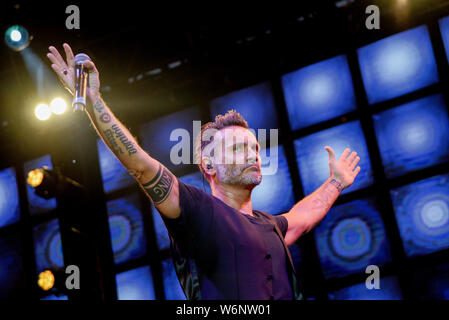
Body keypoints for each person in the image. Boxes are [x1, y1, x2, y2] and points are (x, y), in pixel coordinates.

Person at [47, 43, 361, 300]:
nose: (253, 154)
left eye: (254, 148)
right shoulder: (197, 210)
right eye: (238, 149)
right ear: (209, 166)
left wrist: (335, 183)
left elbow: (303, 218)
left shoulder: (271, 226)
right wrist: (94, 101)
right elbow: (141, 168)